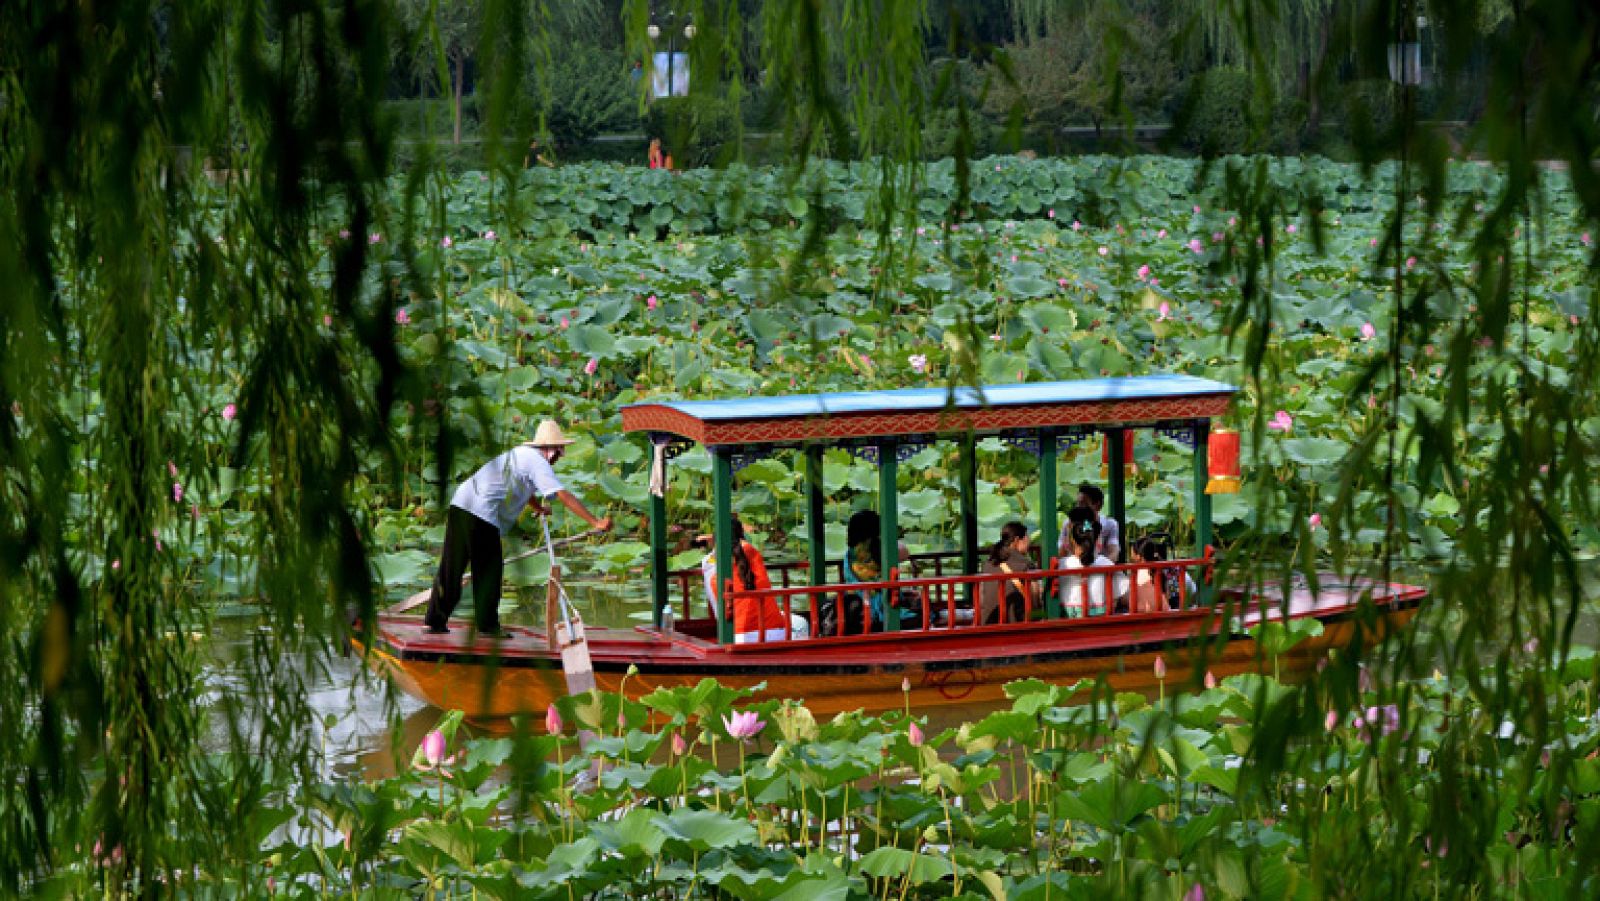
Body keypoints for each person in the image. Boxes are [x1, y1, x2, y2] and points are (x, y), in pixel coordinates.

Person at [424, 420, 612, 635]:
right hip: (481, 512)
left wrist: (538, 508)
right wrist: (595, 522)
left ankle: (434, 622)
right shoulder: (538, 462)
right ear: (552, 451)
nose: (560, 458)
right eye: (560, 453)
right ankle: (487, 627)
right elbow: (563, 495)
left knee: (451, 568)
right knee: (489, 571)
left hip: (461, 502)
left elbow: (522, 486)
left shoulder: (520, 454)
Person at [699, 516, 809, 643]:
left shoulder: (711, 569)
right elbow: (741, 547)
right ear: (741, 534)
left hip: (736, 636)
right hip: (770, 631)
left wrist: (714, 542)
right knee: (801, 623)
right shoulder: (752, 553)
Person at [1058, 508, 1124, 618]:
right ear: (1096, 537)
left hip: (1069, 623)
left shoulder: (1062, 565)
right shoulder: (1106, 564)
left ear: (1072, 538)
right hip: (1102, 622)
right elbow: (1120, 595)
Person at [979, 521, 1036, 624]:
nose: (1029, 542)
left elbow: (981, 595)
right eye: (1027, 538)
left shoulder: (988, 563)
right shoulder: (1024, 564)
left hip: (988, 621)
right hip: (1013, 621)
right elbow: (1035, 596)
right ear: (1017, 540)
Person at [1059, 483, 1120, 562]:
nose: (1079, 507)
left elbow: (1114, 552)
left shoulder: (1110, 524)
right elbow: (1060, 554)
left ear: (1098, 505)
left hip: (1100, 571)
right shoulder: (1068, 523)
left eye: (1083, 504)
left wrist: (1098, 567)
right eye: (1078, 503)